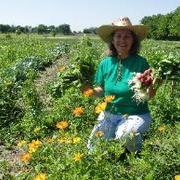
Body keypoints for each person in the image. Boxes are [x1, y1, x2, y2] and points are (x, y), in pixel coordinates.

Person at [87, 17, 157, 155]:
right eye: (118, 36)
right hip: (109, 113)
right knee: (94, 148)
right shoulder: (105, 63)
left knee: (124, 136)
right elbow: (100, 90)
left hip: (136, 114)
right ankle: (120, 135)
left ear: (133, 41)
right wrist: (87, 90)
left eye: (127, 37)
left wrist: (154, 85)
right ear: (112, 40)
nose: (122, 40)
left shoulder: (141, 62)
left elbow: (148, 95)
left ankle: (135, 151)